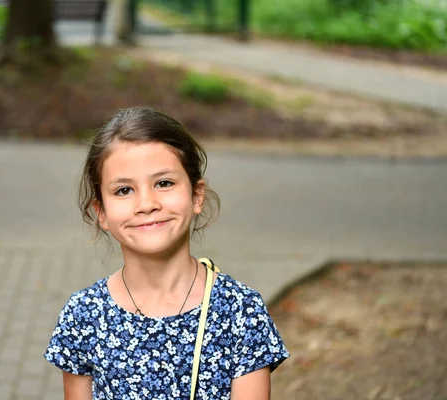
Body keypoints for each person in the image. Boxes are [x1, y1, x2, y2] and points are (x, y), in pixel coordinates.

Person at [44, 107, 289, 399]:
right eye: (124, 190)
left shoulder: (241, 312)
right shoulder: (82, 314)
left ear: (196, 195)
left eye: (164, 183)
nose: (146, 203)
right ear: (102, 213)